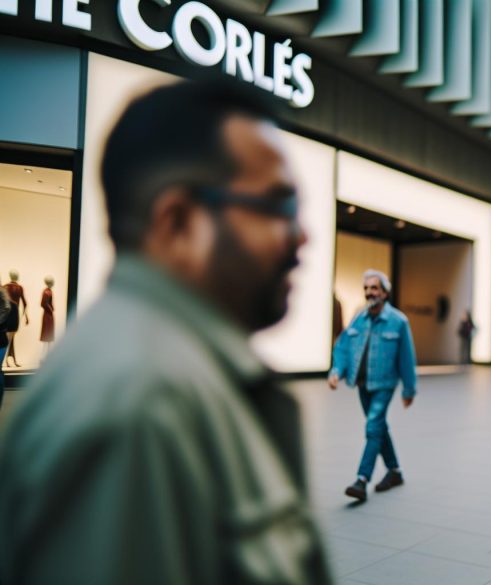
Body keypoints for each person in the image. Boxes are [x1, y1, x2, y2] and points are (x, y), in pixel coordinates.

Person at [0, 80, 330, 584]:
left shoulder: (176, 377)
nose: (303, 234)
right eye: (279, 206)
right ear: (177, 223)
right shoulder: (139, 403)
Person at [328, 269, 417, 502]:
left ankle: (361, 480)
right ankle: (395, 471)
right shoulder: (359, 317)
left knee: (373, 426)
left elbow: (407, 358)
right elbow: (343, 346)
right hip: (362, 383)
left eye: (374, 288)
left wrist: (409, 389)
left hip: (385, 384)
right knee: (378, 428)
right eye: (366, 288)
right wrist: (336, 371)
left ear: (385, 293)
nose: (370, 293)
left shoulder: (398, 321)